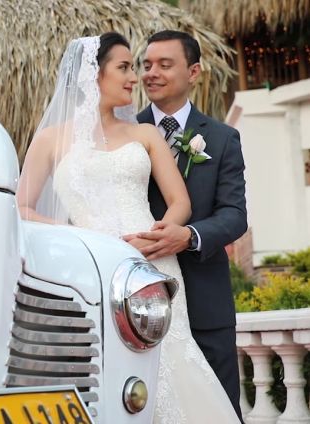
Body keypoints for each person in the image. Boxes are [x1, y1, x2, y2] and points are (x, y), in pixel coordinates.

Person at [16, 32, 241, 422]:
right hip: (90, 269)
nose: (137, 77)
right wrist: (81, 240)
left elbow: (182, 202)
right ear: (93, 74)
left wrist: (161, 236)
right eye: (126, 67)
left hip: (153, 265)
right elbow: (20, 207)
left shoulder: (144, 133)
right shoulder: (51, 139)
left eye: (147, 67)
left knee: (171, 366)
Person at [132, 30, 247, 420]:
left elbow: (234, 214)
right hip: (136, 299)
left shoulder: (222, 137)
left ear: (193, 71)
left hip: (205, 304)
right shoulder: (123, 136)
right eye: (146, 65)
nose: (152, 73)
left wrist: (190, 236)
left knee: (218, 409)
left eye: (165, 64)